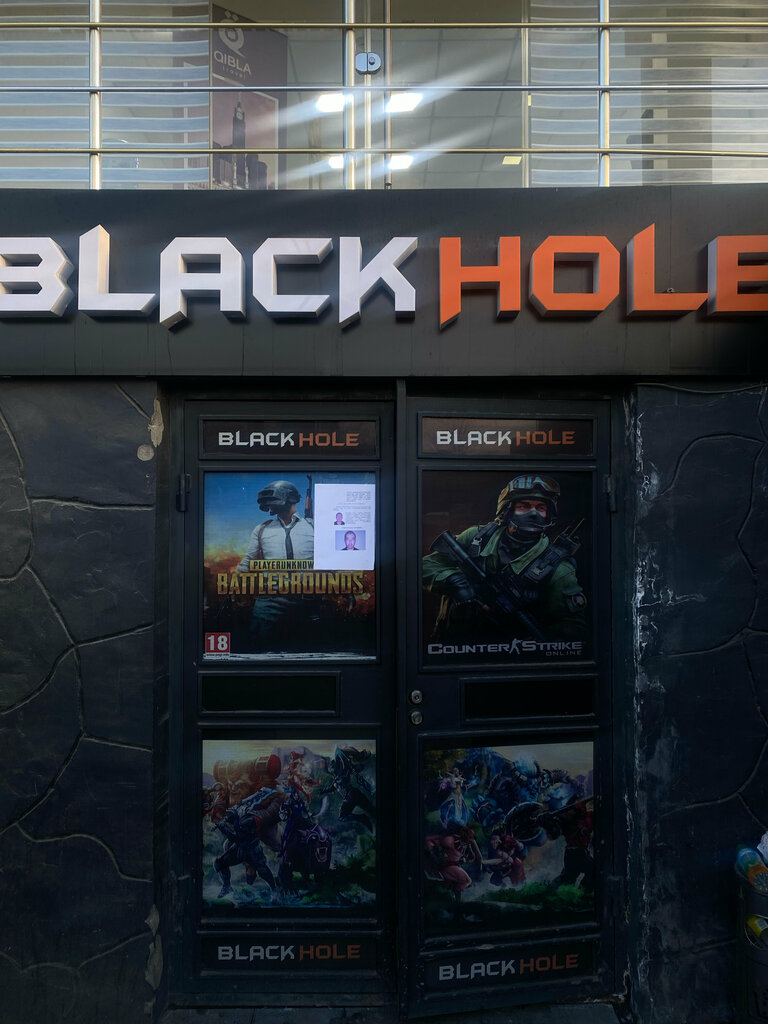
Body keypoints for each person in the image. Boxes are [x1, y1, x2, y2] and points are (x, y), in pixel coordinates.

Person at [422, 474, 586, 642]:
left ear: (548, 514)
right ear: (508, 510)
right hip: (452, 644)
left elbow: (574, 627)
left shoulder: (558, 568)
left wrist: (534, 641)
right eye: (524, 506)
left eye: (541, 508)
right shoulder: (478, 538)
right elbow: (425, 566)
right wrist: (454, 581)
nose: (533, 513)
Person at [236, 479, 315, 648]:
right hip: (269, 604)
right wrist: (236, 590)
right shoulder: (262, 529)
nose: (270, 506)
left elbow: (330, 562)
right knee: (259, 649)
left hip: (308, 603)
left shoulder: (313, 527)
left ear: (289, 498)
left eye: (273, 501)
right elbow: (246, 565)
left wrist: (347, 592)